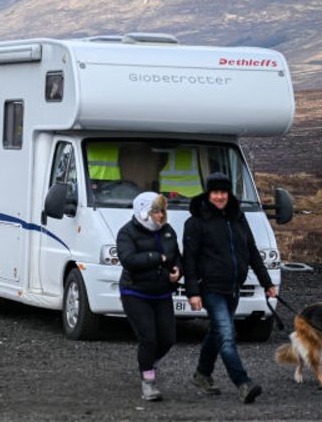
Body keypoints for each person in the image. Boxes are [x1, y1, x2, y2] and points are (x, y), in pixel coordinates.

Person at [183, 172, 278, 404]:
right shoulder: (196, 221)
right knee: (226, 335)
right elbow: (189, 260)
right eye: (215, 192)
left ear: (228, 193)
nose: (219, 197)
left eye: (223, 192)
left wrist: (267, 283)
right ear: (208, 193)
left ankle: (202, 374)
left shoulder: (237, 217)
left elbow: (252, 251)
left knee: (217, 332)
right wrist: (193, 292)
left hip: (233, 287)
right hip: (211, 288)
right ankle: (243, 383)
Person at [117, 192, 182, 402]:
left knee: (168, 339)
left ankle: (147, 363)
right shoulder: (126, 233)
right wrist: (157, 257)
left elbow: (176, 257)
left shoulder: (168, 232)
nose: (161, 216)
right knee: (149, 338)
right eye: (156, 211)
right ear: (143, 212)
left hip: (162, 292)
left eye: (162, 211)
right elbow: (128, 260)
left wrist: (177, 271)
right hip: (135, 292)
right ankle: (148, 382)